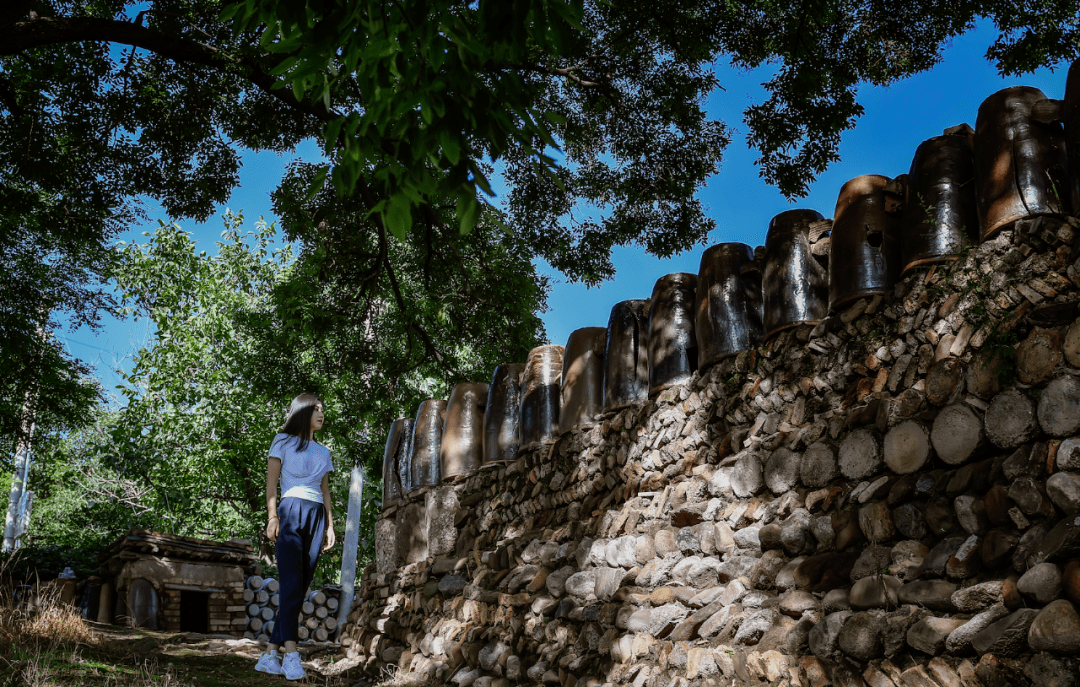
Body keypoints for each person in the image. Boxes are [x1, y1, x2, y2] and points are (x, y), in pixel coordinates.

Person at [254, 394, 336, 680]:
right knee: (290, 584)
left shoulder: (323, 452)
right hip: (290, 510)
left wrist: (330, 526)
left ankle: (268, 655)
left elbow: (325, 491)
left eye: (323, 410)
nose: (322, 414)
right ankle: (291, 655)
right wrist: (272, 517)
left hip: (316, 515)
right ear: (302, 412)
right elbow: (272, 484)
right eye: (316, 409)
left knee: (298, 589)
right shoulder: (282, 441)